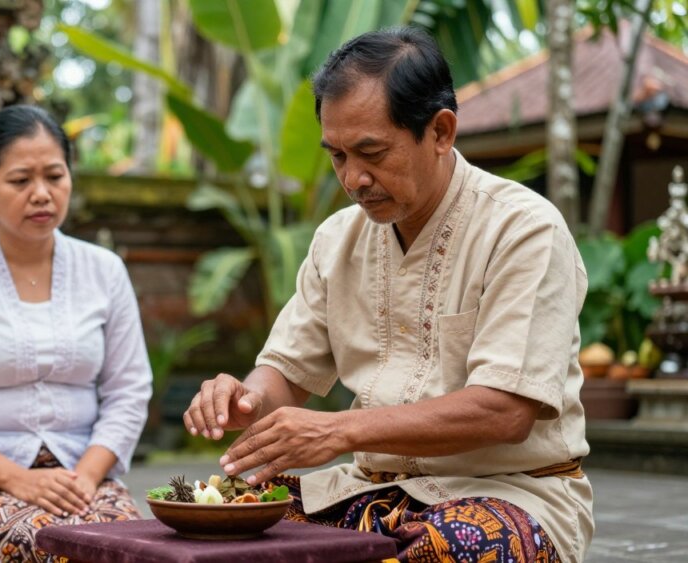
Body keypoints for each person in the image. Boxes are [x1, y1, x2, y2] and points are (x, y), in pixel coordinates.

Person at [183, 27, 593, 563]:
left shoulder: (524, 229)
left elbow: (505, 411)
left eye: (371, 152)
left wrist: (338, 430)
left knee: (447, 548)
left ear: (441, 131)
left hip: (509, 493)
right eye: (337, 156)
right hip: (369, 493)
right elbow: (286, 372)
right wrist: (245, 402)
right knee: (220, 528)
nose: (353, 179)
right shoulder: (336, 239)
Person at [0, 104, 152, 562]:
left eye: (55, 177)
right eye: (20, 181)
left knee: (127, 552)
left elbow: (130, 390)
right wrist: (18, 480)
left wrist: (88, 478)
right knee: (45, 546)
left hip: (81, 477)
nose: (42, 194)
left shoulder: (105, 271)